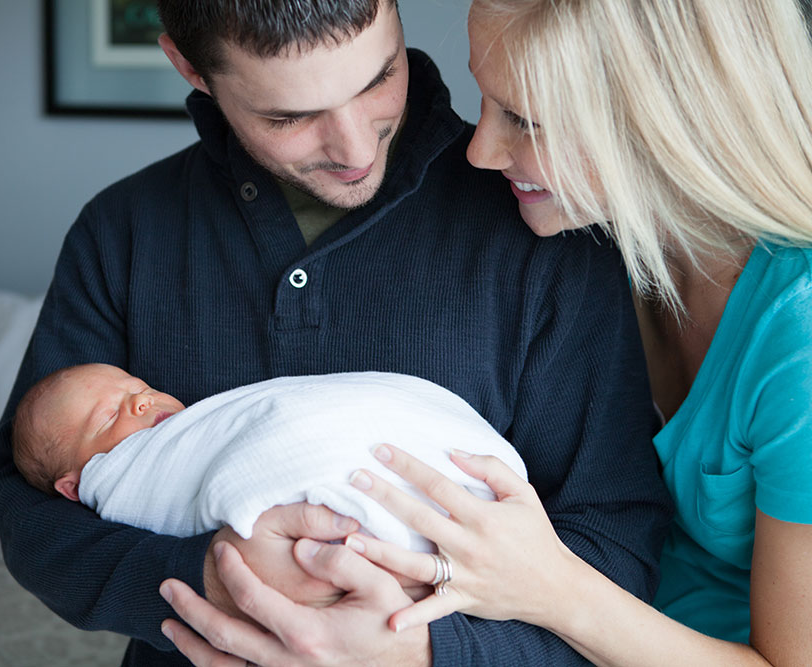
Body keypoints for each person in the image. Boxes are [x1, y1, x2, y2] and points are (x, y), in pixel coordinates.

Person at [0, 0, 672, 664]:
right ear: (191, 68)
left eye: (378, 78)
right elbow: (32, 514)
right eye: (291, 116)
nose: (353, 149)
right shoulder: (122, 232)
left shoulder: (545, 226)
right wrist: (213, 579)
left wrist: (421, 651)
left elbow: (616, 552)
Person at [331, 1, 812, 665]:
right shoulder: (594, 238)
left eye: (527, 122)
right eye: (487, 101)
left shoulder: (799, 338)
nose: (480, 151)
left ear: (667, 122)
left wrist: (550, 586)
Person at [11, 363, 526, 553]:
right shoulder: (122, 478)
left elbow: (274, 418)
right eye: (109, 418)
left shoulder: (204, 425)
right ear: (74, 486)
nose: (143, 401)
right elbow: (35, 531)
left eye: (140, 388)